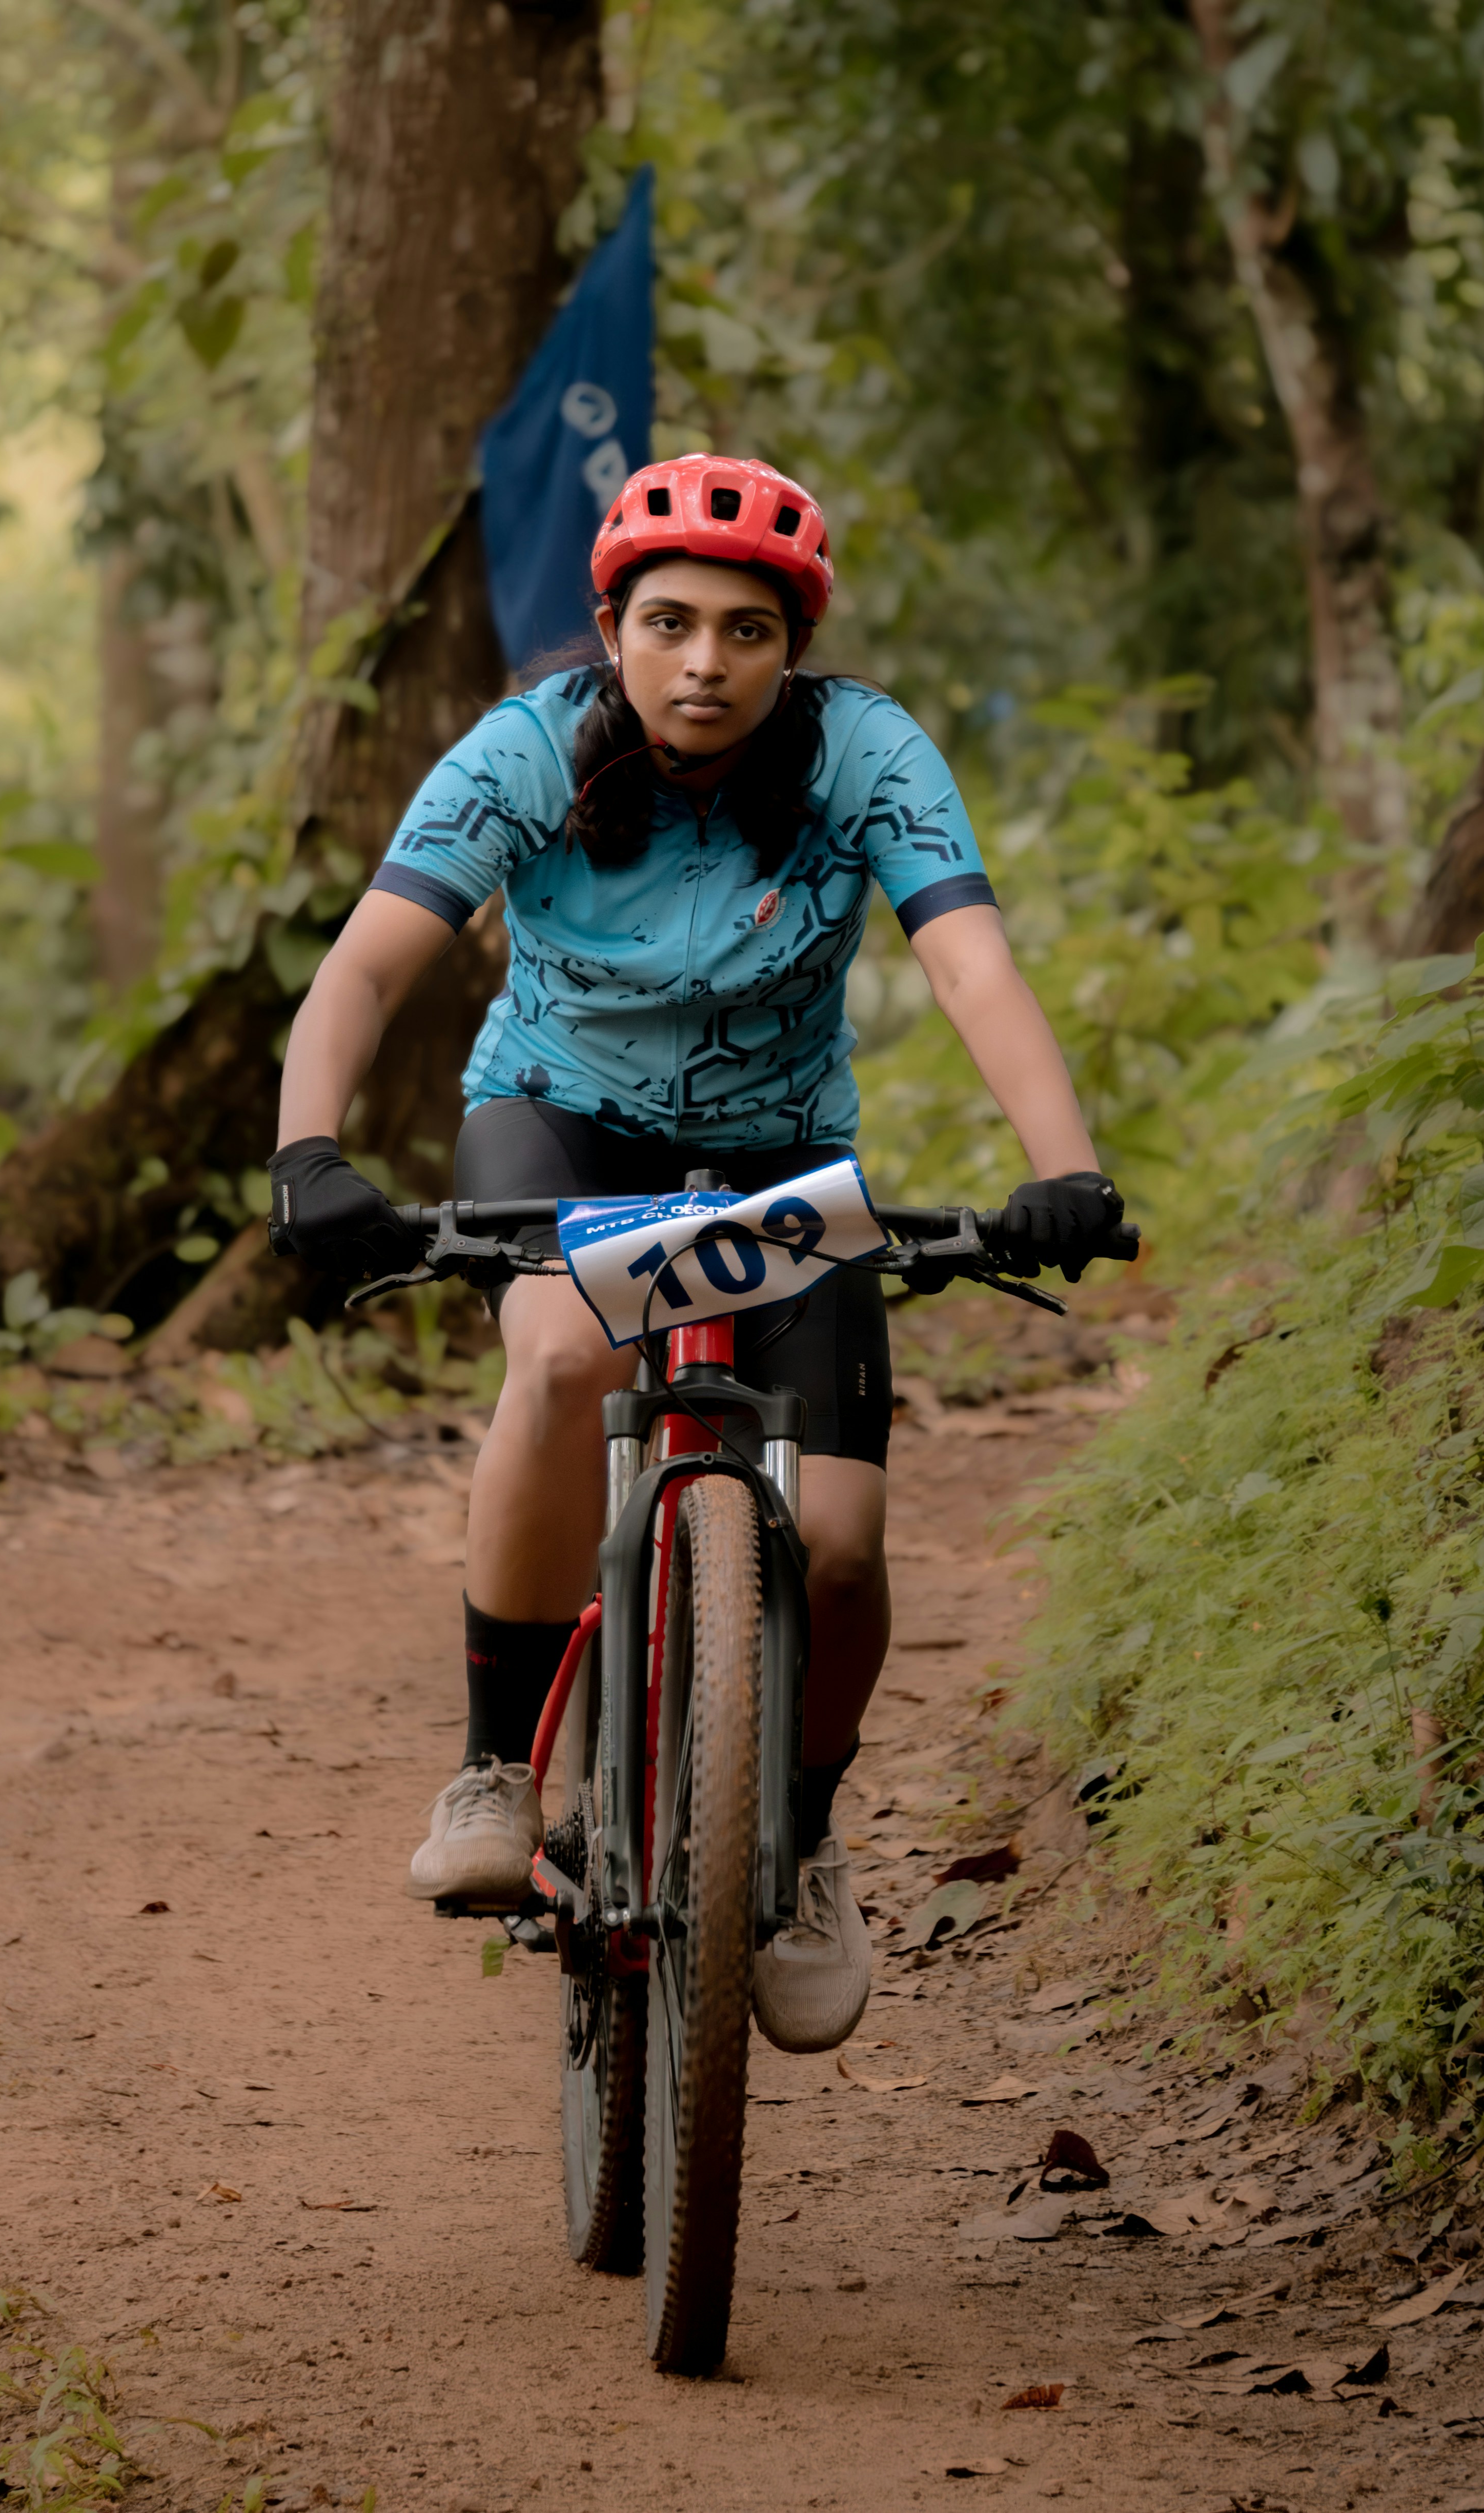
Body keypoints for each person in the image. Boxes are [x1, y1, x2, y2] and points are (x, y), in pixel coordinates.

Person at [268, 452, 1123, 2055]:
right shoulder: (526, 746)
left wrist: (1060, 1172)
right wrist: (311, 1150)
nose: (704, 662)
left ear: (792, 647)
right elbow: (366, 968)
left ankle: (793, 1841)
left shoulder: (866, 752)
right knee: (564, 1354)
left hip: (779, 1166)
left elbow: (971, 968)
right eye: (667, 624)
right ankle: (499, 1767)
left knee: (850, 1543)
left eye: (745, 630)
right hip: (558, 1128)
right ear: (611, 629)